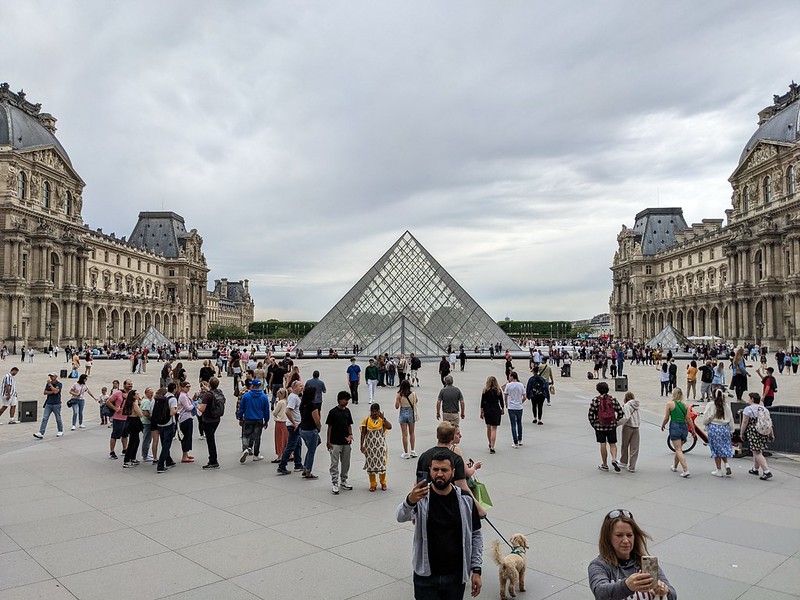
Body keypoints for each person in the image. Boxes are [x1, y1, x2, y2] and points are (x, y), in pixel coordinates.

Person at [396, 451, 483, 599]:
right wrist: (410, 500)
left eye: (444, 470)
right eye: (435, 469)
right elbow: (400, 516)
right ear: (430, 470)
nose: (439, 474)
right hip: (426, 577)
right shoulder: (421, 497)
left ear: (453, 472)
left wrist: (476, 569)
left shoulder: (465, 499)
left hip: (455, 577)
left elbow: (476, 534)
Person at [588, 509, 676, 600]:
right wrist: (627, 585)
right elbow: (600, 593)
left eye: (629, 535)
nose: (626, 541)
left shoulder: (647, 564)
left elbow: (673, 595)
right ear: (608, 537)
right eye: (619, 535)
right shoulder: (599, 565)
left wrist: (663, 591)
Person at [588, 381, 624, 472]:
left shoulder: (596, 400)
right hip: (611, 425)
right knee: (612, 443)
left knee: (603, 444)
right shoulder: (612, 399)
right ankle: (614, 459)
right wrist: (616, 421)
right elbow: (620, 412)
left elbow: (591, 414)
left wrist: (594, 424)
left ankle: (605, 464)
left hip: (600, 425)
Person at [661, 388, 694, 478]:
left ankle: (685, 469)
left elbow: (667, 417)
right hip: (684, 427)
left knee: (678, 449)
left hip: (675, 427)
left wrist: (663, 424)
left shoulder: (670, 404)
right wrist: (693, 430)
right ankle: (675, 466)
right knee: (679, 448)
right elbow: (688, 418)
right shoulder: (686, 405)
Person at [326, 390, 354, 495]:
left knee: (346, 462)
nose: (346, 402)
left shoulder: (347, 411)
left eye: (348, 400)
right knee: (334, 463)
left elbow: (349, 425)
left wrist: (350, 435)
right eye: (345, 400)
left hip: (346, 441)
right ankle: (335, 482)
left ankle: (343, 480)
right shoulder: (333, 412)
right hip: (335, 441)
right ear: (339, 400)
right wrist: (328, 441)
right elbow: (329, 427)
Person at [740, 392, 773, 480]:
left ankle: (766, 471)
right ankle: (755, 468)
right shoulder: (764, 409)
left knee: (757, 451)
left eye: (749, 398)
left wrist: (741, 433)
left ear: (752, 399)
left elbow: (745, 422)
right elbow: (769, 422)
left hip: (753, 431)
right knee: (758, 450)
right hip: (763, 431)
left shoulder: (748, 409)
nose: (748, 400)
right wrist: (771, 433)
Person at [702, 388, 734, 477]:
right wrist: (732, 429)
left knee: (716, 449)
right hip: (725, 428)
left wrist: (705, 423)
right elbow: (730, 418)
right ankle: (726, 463)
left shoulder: (710, 405)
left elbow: (706, 416)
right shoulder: (726, 405)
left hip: (714, 428)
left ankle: (718, 470)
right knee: (723, 447)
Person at [237, 378, 270, 464]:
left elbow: (241, 408)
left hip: (248, 418)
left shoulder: (246, 396)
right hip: (258, 419)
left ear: (252, 385)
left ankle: (246, 448)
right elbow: (266, 410)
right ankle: (256, 454)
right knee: (257, 437)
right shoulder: (264, 396)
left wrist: (240, 417)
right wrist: (266, 420)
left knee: (246, 435)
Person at [360, 402, 392, 491]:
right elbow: (363, 433)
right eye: (373, 411)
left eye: (376, 411)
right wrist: (362, 445)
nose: (374, 413)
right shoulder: (366, 420)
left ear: (379, 411)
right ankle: (373, 484)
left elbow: (390, 427)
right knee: (371, 466)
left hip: (381, 447)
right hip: (370, 447)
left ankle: (383, 482)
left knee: (382, 465)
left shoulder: (382, 420)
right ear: (370, 411)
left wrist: (383, 418)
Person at [277, 380, 304, 475]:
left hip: (296, 424)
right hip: (294, 425)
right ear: (294, 387)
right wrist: (294, 423)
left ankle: (298, 464)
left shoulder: (296, 397)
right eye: (300, 386)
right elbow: (288, 411)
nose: (302, 387)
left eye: (302, 386)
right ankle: (282, 465)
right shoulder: (293, 398)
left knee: (298, 444)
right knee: (291, 446)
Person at [196, 377, 225, 469]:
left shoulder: (207, 395)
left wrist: (197, 405)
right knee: (211, 438)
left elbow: (202, 409)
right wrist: (207, 388)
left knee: (210, 441)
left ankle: (213, 461)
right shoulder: (219, 392)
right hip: (216, 418)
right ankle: (213, 460)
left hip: (208, 419)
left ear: (209, 384)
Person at [298, 386, 322, 479]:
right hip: (311, 430)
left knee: (312, 447)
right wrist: (319, 427)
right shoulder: (313, 407)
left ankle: (305, 467)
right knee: (312, 451)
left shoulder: (302, 404)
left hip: (303, 429)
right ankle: (308, 470)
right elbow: (317, 421)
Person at [154, 384, 179, 473]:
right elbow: (172, 413)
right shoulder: (172, 399)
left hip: (160, 423)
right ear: (175, 389)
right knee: (166, 445)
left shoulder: (162, 397)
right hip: (168, 423)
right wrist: (177, 408)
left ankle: (169, 460)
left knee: (164, 443)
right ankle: (160, 465)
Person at [33, 372, 64, 439]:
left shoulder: (59, 384)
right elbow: (45, 392)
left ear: (56, 377)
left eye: (52, 376)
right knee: (45, 418)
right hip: (48, 403)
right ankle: (41, 432)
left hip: (56, 404)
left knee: (58, 418)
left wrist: (51, 386)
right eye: (50, 376)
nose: (51, 378)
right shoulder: (48, 384)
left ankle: (60, 430)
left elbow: (56, 391)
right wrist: (52, 391)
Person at [106, 380, 132, 459]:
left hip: (127, 417)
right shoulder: (118, 393)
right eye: (128, 384)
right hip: (118, 417)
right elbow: (108, 401)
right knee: (115, 435)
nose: (130, 385)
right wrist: (115, 408)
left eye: (131, 384)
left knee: (125, 435)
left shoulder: (131, 394)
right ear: (124, 385)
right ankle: (112, 452)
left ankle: (124, 449)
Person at [395, 379, 419, 459]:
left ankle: (406, 452)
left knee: (404, 434)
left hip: (403, 412)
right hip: (411, 412)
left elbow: (396, 406)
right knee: (412, 432)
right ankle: (413, 450)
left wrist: (398, 400)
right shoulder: (413, 394)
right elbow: (416, 401)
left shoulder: (399, 394)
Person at [480, 375, 503, 454]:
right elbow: (501, 401)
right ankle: (492, 447)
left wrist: (481, 411)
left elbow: (482, 402)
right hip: (496, 408)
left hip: (487, 409)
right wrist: (502, 409)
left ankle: (490, 442)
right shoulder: (498, 390)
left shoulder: (485, 390)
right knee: (494, 428)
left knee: (488, 427)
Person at [122, 389, 144, 468]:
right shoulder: (134, 403)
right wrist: (139, 405)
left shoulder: (129, 403)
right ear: (134, 396)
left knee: (136, 440)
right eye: (137, 394)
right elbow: (140, 414)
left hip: (130, 421)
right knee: (132, 441)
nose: (138, 395)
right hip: (134, 421)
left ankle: (132, 458)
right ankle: (127, 460)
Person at [618, 391, 640, 473]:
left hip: (628, 426)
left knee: (625, 445)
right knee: (634, 448)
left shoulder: (627, 405)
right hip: (636, 427)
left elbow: (626, 417)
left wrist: (617, 424)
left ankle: (623, 461)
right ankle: (632, 466)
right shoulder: (636, 405)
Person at [503, 371, 525, 448]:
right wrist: (521, 402)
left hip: (511, 406)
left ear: (512, 377)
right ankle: (520, 439)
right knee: (519, 423)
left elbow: (505, 395)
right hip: (519, 406)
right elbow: (524, 396)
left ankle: (515, 442)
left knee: (513, 424)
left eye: (509, 376)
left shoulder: (508, 385)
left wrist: (506, 403)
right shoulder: (521, 385)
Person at [271, 387, 288, 462]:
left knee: (279, 439)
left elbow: (275, 412)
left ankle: (279, 455)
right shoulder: (286, 401)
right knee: (285, 438)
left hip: (279, 421)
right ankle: (288, 454)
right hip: (286, 421)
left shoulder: (280, 402)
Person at [139, 387, 155, 463]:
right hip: (147, 423)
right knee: (147, 439)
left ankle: (146, 454)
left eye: (152, 392)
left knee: (148, 439)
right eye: (150, 392)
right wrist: (151, 419)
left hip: (146, 422)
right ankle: (145, 456)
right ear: (146, 393)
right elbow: (145, 413)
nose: (152, 394)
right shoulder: (146, 401)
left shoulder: (148, 400)